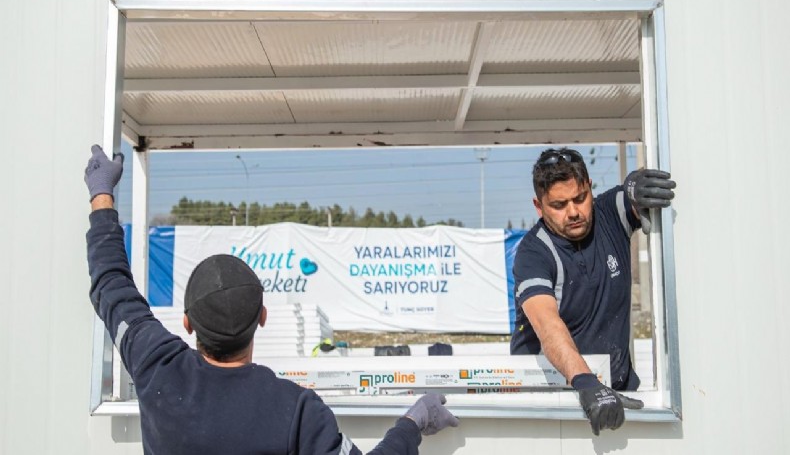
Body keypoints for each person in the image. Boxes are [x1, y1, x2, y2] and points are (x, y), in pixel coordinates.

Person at [84, 145, 459, 454]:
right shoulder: (295, 410)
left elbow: (111, 285)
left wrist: (102, 196)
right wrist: (412, 425)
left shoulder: (158, 368)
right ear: (262, 317)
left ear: (187, 324)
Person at [510, 147, 676, 436]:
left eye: (580, 198)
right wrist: (586, 382)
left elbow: (631, 194)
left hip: (618, 389)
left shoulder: (609, 213)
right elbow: (547, 324)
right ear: (539, 207)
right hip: (556, 400)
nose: (573, 212)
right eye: (559, 205)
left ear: (589, 188)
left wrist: (637, 183)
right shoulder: (533, 253)